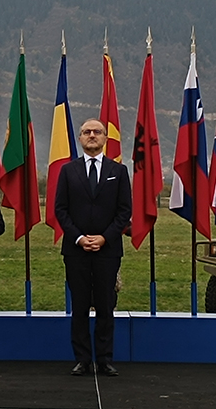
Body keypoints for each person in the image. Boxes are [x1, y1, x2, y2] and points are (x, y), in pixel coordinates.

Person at [54, 118, 131, 377]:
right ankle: (83, 359)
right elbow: (60, 210)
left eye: (97, 132)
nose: (91, 136)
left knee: (106, 305)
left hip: (107, 251)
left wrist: (103, 238)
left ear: (105, 138)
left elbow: (124, 212)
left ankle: (105, 359)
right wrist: (79, 238)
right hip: (76, 250)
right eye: (86, 132)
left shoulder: (118, 172)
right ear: (80, 138)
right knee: (79, 305)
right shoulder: (68, 171)